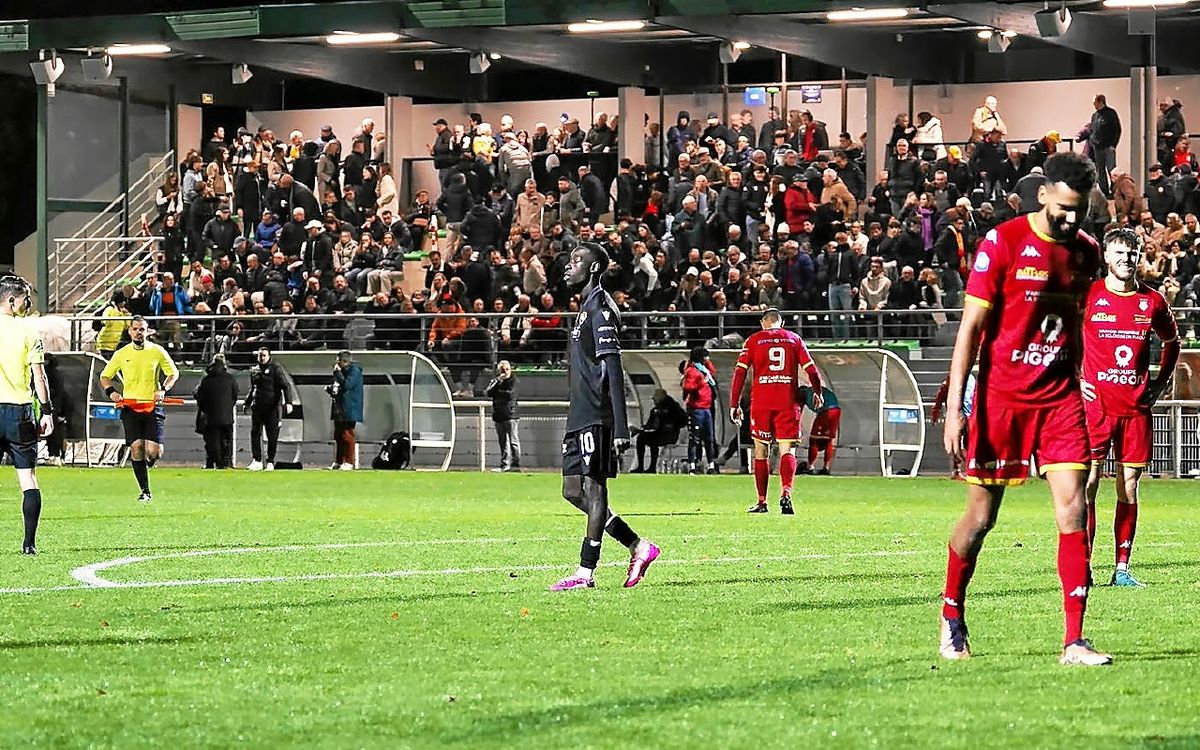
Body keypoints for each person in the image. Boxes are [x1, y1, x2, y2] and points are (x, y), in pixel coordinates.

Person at [940, 151, 1111, 666]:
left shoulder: (1086, 251)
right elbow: (970, 330)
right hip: (1001, 399)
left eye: (1079, 210)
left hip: (1058, 399)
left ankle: (1074, 639)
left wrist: (1083, 382)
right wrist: (955, 408)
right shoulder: (1005, 242)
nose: (1070, 219)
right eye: (1062, 208)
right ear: (1043, 195)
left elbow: (1078, 324)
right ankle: (952, 615)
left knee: (1074, 505)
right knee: (980, 517)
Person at [550, 242, 659, 591]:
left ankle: (585, 573)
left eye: (577, 261)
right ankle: (637, 545)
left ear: (594, 269)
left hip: (597, 413)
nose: (569, 266)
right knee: (571, 490)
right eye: (569, 260)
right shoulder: (584, 308)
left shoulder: (601, 308)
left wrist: (621, 427)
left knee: (596, 490)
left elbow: (613, 366)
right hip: (578, 413)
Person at [1080, 228, 1180, 588]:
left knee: (1129, 486)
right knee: (1087, 484)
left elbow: (1172, 341)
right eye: (1119, 252)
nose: (1126, 258)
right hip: (1096, 410)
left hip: (1135, 409)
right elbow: (1056, 332)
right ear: (1107, 257)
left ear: (1140, 257)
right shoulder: (1089, 296)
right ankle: (1083, 566)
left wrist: (1160, 382)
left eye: (1132, 252)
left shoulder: (1152, 302)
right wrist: (1075, 376)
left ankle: (1121, 568)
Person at [729, 307, 823, 515]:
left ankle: (762, 502)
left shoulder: (753, 340)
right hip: (787, 402)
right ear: (781, 323)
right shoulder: (794, 339)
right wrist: (817, 392)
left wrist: (734, 404)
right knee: (787, 449)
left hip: (761, 402)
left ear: (764, 323)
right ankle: (786, 493)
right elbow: (812, 370)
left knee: (761, 451)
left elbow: (739, 374)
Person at [99, 316, 180, 503]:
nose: (138, 332)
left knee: (154, 452)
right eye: (135, 329)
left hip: (152, 406)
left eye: (142, 329)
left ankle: (150, 462)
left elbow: (173, 373)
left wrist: (163, 389)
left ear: (147, 331)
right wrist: (112, 393)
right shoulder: (121, 353)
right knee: (136, 447)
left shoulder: (157, 351)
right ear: (129, 331)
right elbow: (105, 377)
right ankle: (145, 491)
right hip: (130, 406)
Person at [0, 275, 54, 554]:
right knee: (28, 479)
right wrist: (47, 412)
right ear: (11, 300)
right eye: (24, 299)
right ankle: (28, 544)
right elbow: (39, 377)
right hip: (18, 412)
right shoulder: (28, 332)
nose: (28, 304)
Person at [243, 347, 297, 471]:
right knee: (255, 433)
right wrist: (247, 403)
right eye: (259, 355)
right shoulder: (255, 369)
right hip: (257, 407)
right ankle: (256, 460)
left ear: (269, 356)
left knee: (272, 435)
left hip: (272, 408)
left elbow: (285, 385)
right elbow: (253, 389)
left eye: (263, 355)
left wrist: (289, 402)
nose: (261, 358)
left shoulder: (275, 368)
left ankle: (270, 461)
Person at [194, 354, 239, 470]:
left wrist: (204, 407)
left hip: (210, 416)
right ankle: (225, 463)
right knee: (226, 441)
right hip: (227, 416)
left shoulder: (206, 379)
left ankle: (212, 462)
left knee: (211, 442)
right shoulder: (230, 379)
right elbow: (235, 395)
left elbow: (199, 395)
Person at [630, 388, 687, 474]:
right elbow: (649, 425)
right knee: (641, 438)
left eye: (655, 399)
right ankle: (640, 466)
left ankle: (652, 467)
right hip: (657, 434)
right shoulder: (654, 410)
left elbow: (682, 421)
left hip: (669, 435)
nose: (654, 401)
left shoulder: (673, 408)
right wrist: (641, 430)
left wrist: (671, 426)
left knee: (653, 440)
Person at [681, 346, 718, 475]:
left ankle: (711, 464)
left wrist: (707, 363)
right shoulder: (691, 371)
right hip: (696, 408)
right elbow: (688, 386)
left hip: (706, 408)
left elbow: (712, 371)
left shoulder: (704, 370)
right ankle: (693, 465)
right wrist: (702, 382)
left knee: (709, 438)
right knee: (695, 438)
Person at [327, 351, 363, 471]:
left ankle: (349, 461)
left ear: (345, 361)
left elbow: (347, 385)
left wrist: (337, 373)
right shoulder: (340, 372)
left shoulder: (355, 371)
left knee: (347, 435)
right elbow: (339, 387)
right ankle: (338, 460)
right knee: (338, 435)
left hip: (350, 408)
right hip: (339, 408)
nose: (337, 363)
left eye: (339, 361)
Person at [484, 360, 520, 472]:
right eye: (502, 370)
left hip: (511, 415)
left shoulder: (514, 381)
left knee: (513, 441)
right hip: (498, 415)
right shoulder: (496, 381)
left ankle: (515, 465)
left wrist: (498, 391)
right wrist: (498, 382)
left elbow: (510, 395)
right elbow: (488, 392)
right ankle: (504, 464)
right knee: (503, 442)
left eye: (507, 369)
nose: (505, 372)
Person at [800, 385, 841, 475]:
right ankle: (826, 467)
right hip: (835, 411)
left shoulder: (809, 394)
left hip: (827, 412)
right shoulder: (811, 391)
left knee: (814, 439)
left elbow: (814, 406)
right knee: (828, 440)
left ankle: (810, 466)